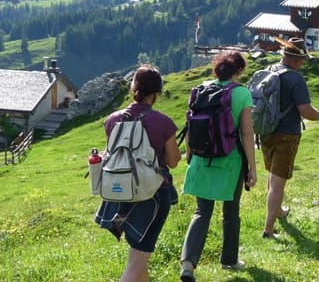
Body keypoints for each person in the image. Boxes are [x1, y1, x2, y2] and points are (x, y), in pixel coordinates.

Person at [95, 64, 181, 282]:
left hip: (121, 194)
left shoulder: (113, 120)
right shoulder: (163, 122)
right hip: (152, 195)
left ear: (134, 87)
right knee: (138, 259)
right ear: (157, 93)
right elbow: (172, 162)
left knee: (137, 253)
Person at [180, 51, 257, 282]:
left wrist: (190, 154)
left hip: (203, 159)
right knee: (231, 212)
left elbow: (190, 124)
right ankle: (230, 260)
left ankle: (187, 264)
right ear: (239, 70)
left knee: (202, 211)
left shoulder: (200, 90)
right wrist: (252, 168)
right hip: (230, 160)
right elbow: (246, 133)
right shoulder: (242, 93)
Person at [261, 37, 319, 239]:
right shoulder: (295, 79)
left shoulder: (270, 70)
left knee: (274, 177)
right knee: (278, 183)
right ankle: (268, 230)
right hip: (287, 135)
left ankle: (279, 211)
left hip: (265, 131)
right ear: (294, 59)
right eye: (301, 60)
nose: (302, 64)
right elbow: (306, 111)